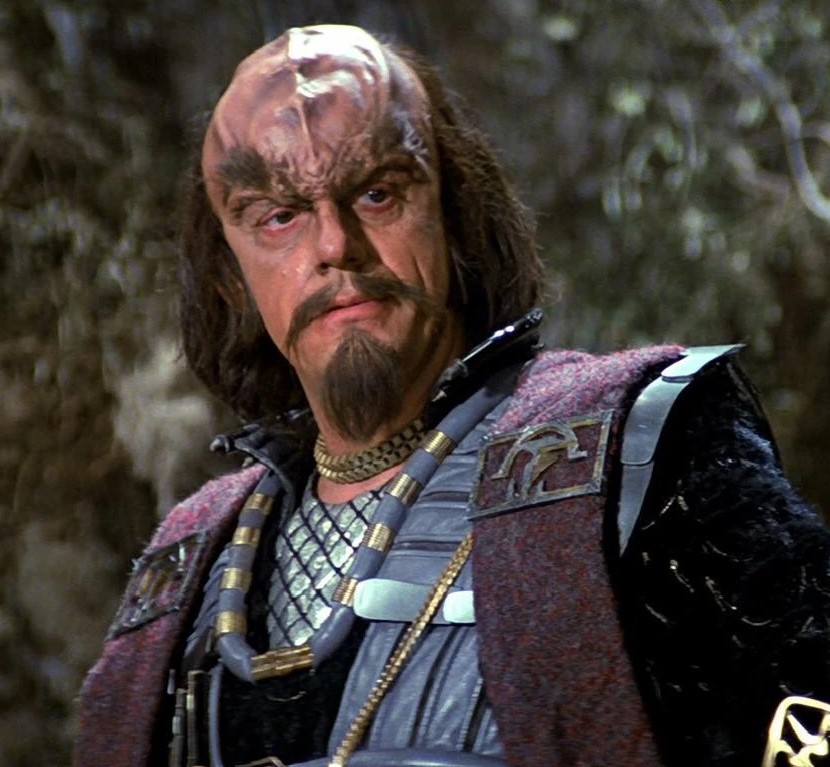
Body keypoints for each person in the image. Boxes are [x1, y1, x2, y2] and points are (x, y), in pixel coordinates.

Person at [74, 23, 830, 767]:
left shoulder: (638, 449)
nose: (334, 245)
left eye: (376, 193)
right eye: (279, 216)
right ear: (230, 280)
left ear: (457, 215)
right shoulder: (186, 569)